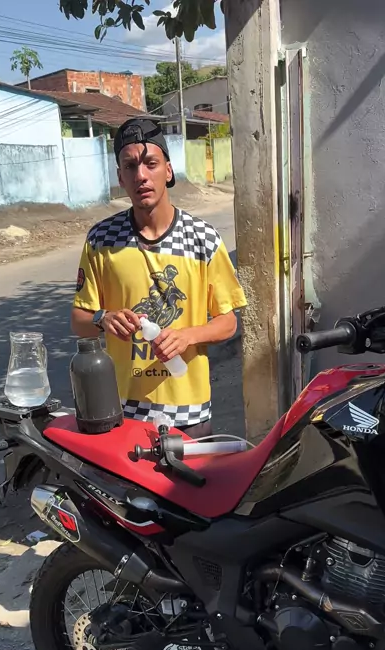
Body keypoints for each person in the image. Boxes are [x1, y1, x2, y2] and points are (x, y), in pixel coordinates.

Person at [71, 116, 247, 439]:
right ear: (120, 177)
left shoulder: (203, 239)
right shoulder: (101, 240)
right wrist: (103, 319)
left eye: (150, 163)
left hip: (189, 413)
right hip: (122, 411)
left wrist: (188, 336)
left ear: (168, 170)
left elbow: (228, 322)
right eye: (130, 166)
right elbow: (79, 320)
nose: (141, 175)